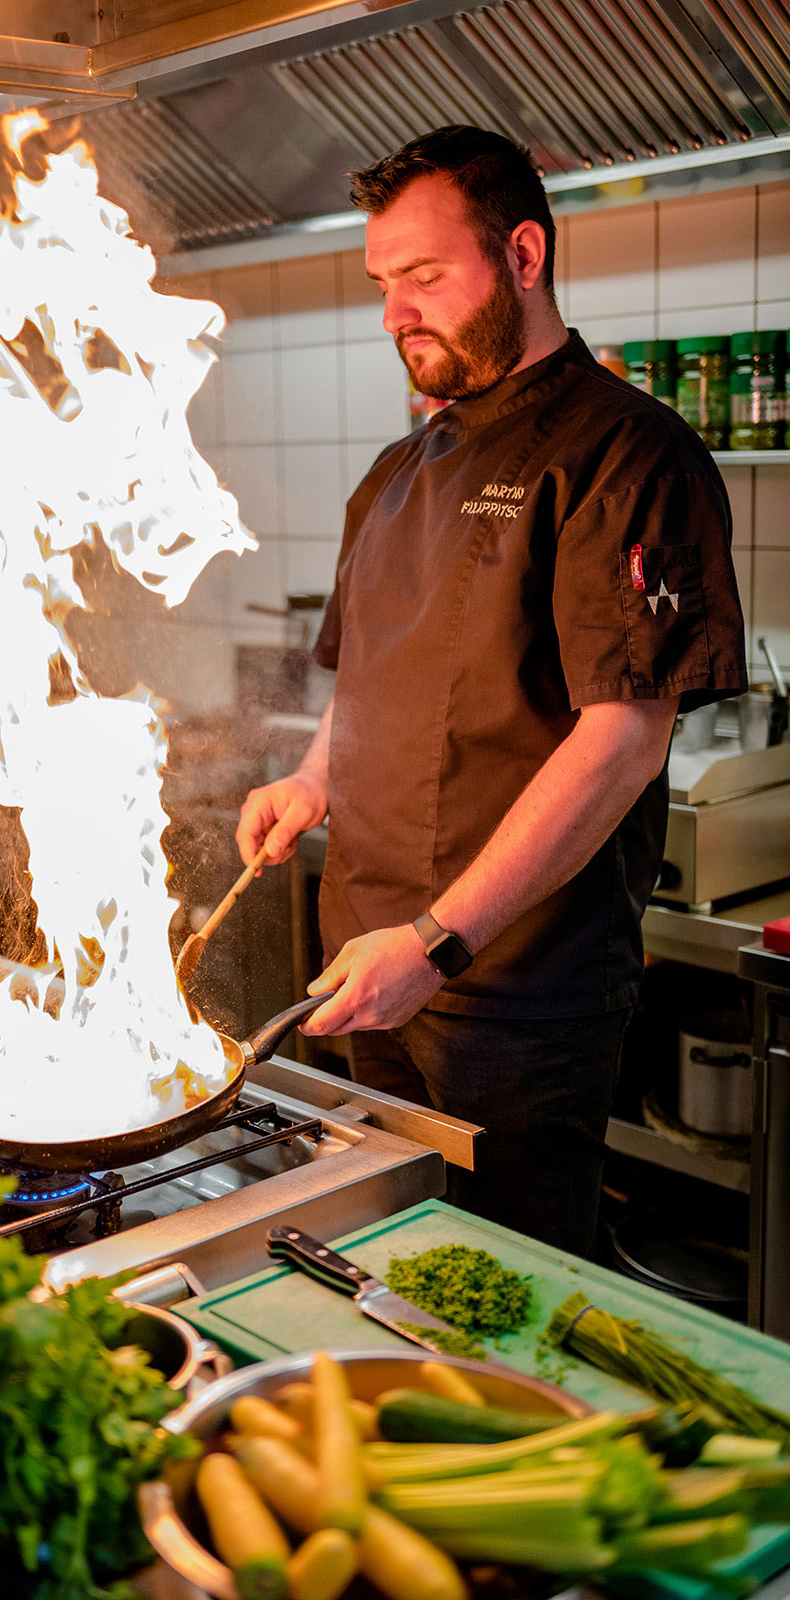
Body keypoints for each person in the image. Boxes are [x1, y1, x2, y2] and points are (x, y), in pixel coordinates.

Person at [235, 126, 747, 1258]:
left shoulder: (629, 454)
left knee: (506, 1283)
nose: (394, 312)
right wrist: (312, 779)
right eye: (382, 282)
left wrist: (435, 942)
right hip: (360, 965)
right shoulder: (395, 472)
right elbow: (369, 674)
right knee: (380, 1260)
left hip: (515, 990)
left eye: (423, 276)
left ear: (522, 255)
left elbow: (623, 740)